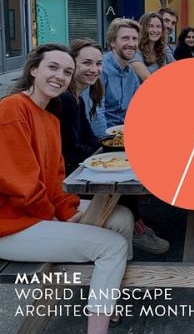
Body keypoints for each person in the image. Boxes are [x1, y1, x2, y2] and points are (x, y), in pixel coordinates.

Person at [0, 44, 134, 334]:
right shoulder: (12, 109)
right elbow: (21, 184)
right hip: (10, 225)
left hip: (34, 215)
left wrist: (66, 210)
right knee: (112, 246)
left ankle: (106, 299)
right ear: (33, 70)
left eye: (67, 72)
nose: (60, 76)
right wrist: (56, 216)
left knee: (123, 218)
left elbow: (56, 180)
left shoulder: (50, 119)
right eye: (52, 67)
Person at [82, 19, 170, 255]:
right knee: (128, 169)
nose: (131, 43)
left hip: (124, 133)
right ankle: (136, 227)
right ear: (112, 42)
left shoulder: (130, 72)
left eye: (134, 39)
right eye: (125, 38)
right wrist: (109, 142)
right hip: (102, 139)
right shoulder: (101, 69)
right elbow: (96, 111)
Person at [58, 38, 103, 175]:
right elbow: (72, 151)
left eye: (98, 64)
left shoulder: (78, 100)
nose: (94, 70)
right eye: (86, 63)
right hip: (65, 174)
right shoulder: (66, 99)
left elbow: (90, 139)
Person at [131, 12, 174, 81]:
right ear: (143, 28)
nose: (155, 30)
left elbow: (176, 69)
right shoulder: (134, 50)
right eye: (150, 26)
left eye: (158, 27)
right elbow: (148, 79)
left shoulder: (163, 48)